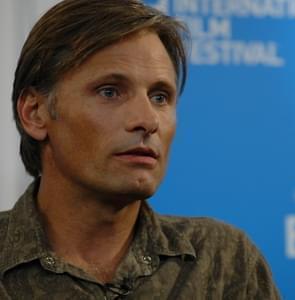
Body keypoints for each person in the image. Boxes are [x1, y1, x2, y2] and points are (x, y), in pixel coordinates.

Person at [0, 0, 280, 299]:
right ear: (35, 112)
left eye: (160, 97)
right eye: (110, 91)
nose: (147, 121)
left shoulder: (225, 261)